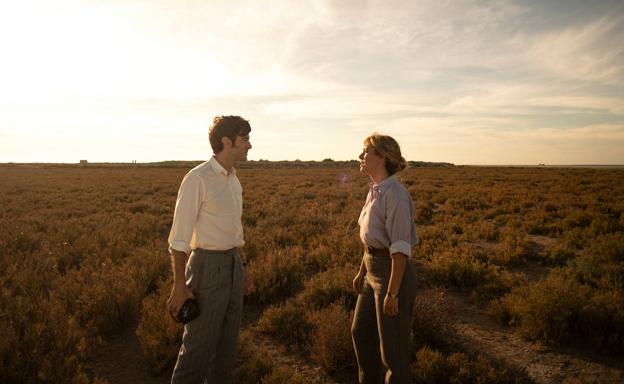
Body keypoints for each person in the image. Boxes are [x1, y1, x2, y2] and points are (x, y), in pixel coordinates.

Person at [167, 115, 252, 384]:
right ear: (227, 142)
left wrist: (243, 269)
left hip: (232, 266)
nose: (249, 145)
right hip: (207, 268)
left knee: (226, 353)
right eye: (245, 139)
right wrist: (180, 285)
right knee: (197, 352)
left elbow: (234, 233)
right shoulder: (197, 179)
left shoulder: (233, 179)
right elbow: (179, 241)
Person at [351, 133, 418, 384]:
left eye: (366, 151)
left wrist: (392, 293)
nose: (361, 156)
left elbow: (399, 249)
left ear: (382, 157)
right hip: (372, 271)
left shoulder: (396, 195)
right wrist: (362, 272)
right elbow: (371, 239)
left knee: (394, 351)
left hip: (392, 274)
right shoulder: (374, 190)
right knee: (361, 333)